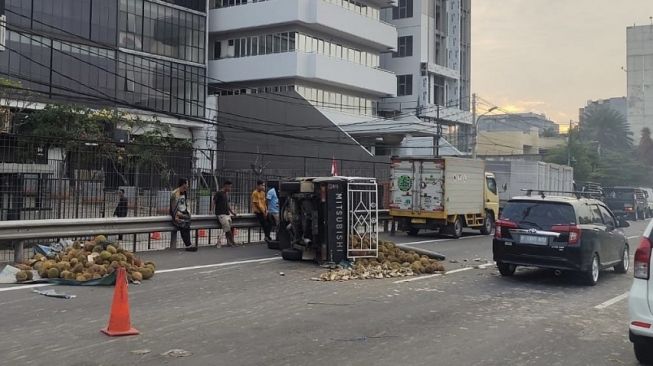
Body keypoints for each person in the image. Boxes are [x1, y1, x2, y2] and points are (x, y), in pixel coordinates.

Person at [170, 178, 196, 252]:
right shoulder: (175, 193)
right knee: (184, 225)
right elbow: (173, 207)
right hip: (177, 214)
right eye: (187, 183)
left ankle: (189, 245)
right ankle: (188, 245)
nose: (188, 185)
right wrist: (177, 215)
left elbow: (185, 203)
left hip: (184, 213)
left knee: (187, 226)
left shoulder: (184, 192)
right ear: (183, 184)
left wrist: (187, 213)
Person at [214, 180, 238, 246]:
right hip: (221, 214)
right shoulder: (219, 193)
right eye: (229, 187)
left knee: (229, 228)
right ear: (225, 186)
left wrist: (232, 212)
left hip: (227, 214)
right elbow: (214, 201)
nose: (230, 189)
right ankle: (232, 241)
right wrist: (211, 211)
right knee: (227, 228)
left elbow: (227, 205)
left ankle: (229, 242)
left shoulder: (226, 194)